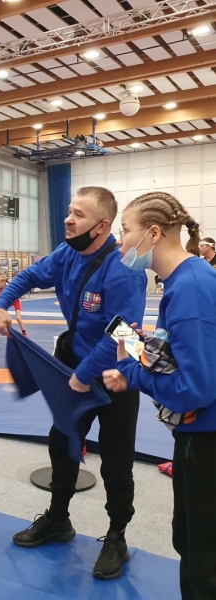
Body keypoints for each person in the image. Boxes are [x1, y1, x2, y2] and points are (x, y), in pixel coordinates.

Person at [0, 186, 147, 580]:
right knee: (61, 444)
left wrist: (84, 374)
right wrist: (1, 304)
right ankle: (58, 520)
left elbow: (123, 334)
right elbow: (30, 275)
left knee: (116, 459)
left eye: (78, 214)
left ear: (101, 226)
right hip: (75, 365)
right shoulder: (67, 253)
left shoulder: (125, 269)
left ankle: (117, 536)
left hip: (116, 374)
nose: (68, 219)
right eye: (69, 211)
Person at [102, 191, 216, 600]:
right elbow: (189, 355)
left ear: (153, 233)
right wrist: (146, 349)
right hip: (196, 438)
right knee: (188, 540)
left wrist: (131, 372)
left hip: (206, 440)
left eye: (125, 230)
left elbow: (193, 389)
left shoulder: (191, 288)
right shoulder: (185, 280)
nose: (120, 242)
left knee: (203, 559)